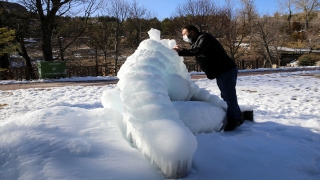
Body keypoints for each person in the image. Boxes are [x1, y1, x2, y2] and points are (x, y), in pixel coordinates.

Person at [173, 25, 243, 131]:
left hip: (226, 69)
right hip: (221, 71)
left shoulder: (205, 38)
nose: (184, 37)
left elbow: (198, 50)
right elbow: (195, 50)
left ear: (191, 32)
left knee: (229, 96)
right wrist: (182, 50)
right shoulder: (197, 41)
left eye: (184, 34)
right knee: (227, 94)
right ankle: (238, 117)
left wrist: (181, 52)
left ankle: (234, 119)